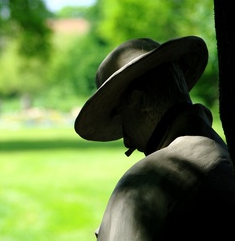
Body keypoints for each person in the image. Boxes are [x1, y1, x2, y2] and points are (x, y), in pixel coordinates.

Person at [74, 36, 235, 240]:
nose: (127, 142)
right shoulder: (224, 156)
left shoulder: (145, 184)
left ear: (139, 101)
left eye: (122, 118)